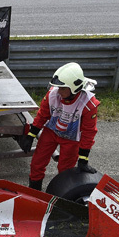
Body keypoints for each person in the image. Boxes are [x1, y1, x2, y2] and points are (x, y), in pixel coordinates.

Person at [21, 62, 100, 191]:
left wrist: (83, 158)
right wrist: (31, 135)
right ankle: (34, 191)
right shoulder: (52, 95)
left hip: (72, 139)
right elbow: (42, 115)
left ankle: (60, 194)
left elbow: (88, 132)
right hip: (51, 131)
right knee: (37, 163)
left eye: (63, 88)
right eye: (58, 87)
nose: (59, 91)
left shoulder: (88, 105)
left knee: (65, 170)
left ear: (75, 88)